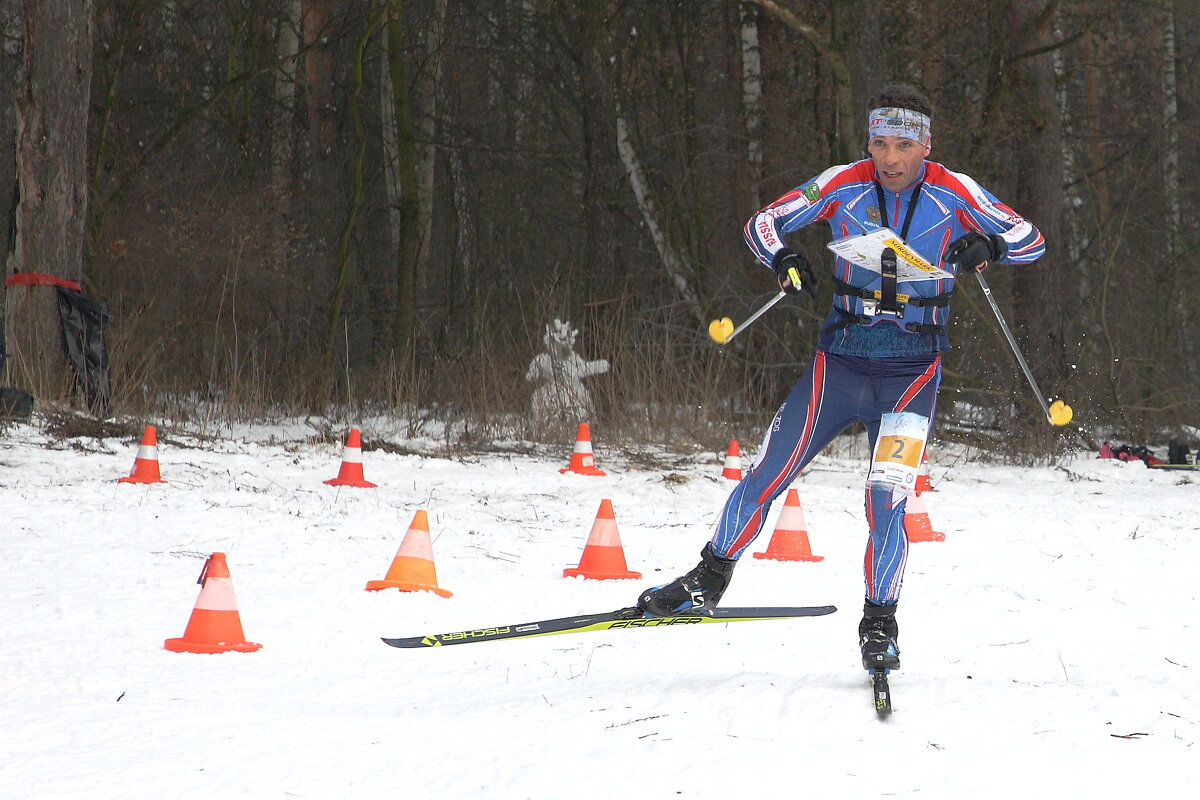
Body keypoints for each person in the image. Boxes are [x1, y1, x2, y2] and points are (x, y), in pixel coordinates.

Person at [637, 84, 1045, 673]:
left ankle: (880, 622)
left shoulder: (957, 191)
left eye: (904, 144)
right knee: (768, 473)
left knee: (886, 501)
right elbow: (764, 224)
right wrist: (782, 258)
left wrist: (990, 244)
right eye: (879, 143)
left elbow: (1032, 239)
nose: (890, 158)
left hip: (911, 373)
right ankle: (707, 579)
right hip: (840, 365)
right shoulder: (842, 182)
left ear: (926, 144)